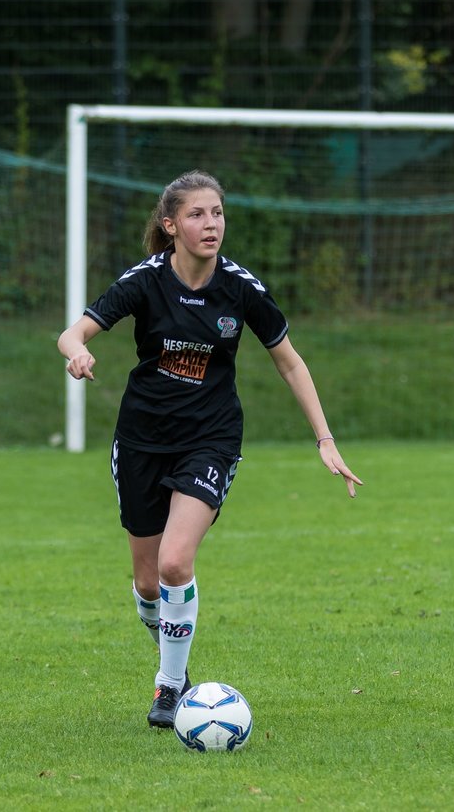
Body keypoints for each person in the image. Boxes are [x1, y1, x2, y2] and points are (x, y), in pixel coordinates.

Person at [57, 169, 363, 728]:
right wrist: (77, 353)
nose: (211, 224)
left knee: (177, 562)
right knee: (149, 584)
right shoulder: (146, 280)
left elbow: (288, 360)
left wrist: (325, 438)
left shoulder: (240, 287)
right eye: (197, 214)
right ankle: (171, 658)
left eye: (217, 213)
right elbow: (72, 332)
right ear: (170, 225)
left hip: (210, 439)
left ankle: (170, 689)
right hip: (143, 440)